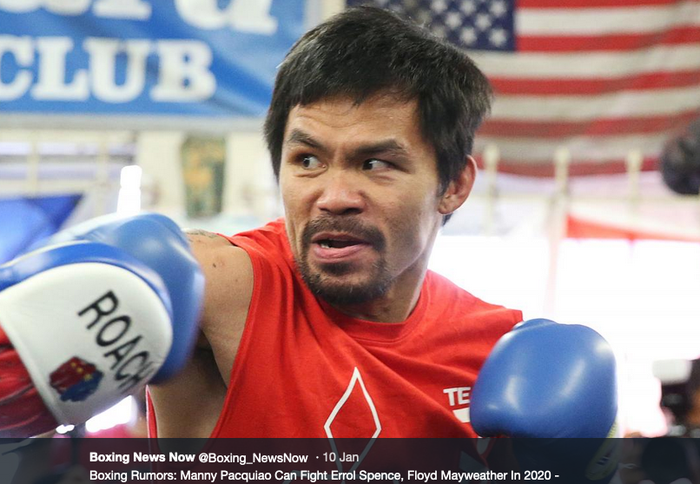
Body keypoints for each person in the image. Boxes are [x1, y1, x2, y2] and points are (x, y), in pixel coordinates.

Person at [0, 6, 616, 471]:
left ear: (453, 185)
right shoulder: (224, 286)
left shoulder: (493, 353)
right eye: (308, 160)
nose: (334, 194)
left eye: (377, 163)